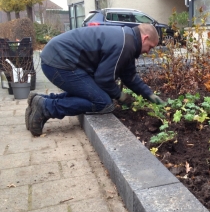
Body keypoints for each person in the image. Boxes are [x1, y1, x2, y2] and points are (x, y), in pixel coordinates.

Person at [25, 23, 164, 137]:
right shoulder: (125, 44)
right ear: (145, 38)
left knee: (91, 93)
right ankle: (45, 107)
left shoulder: (127, 40)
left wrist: (150, 95)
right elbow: (104, 79)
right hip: (59, 64)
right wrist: (120, 96)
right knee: (103, 103)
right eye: (150, 47)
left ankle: (38, 101)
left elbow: (130, 76)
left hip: (58, 59)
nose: (148, 52)